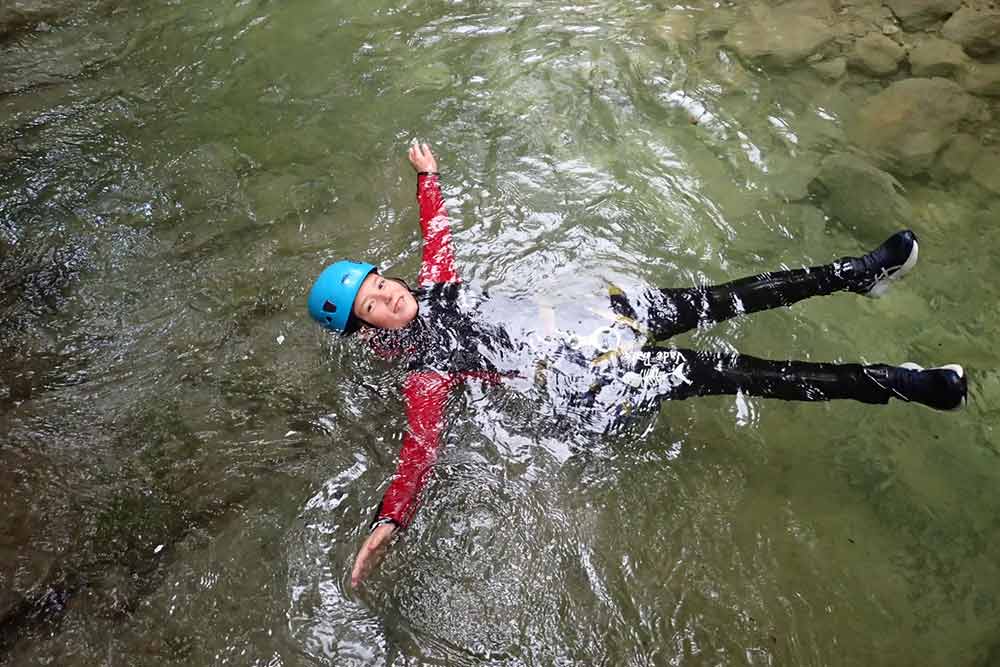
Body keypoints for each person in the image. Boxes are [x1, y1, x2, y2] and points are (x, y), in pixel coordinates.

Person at [307, 143, 968, 587]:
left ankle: (857, 274)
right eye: (375, 304)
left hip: (602, 317)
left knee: (728, 295)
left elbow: (437, 235)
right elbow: (416, 454)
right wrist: (390, 521)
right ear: (367, 329)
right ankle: (895, 383)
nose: (391, 295)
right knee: (733, 370)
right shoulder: (426, 375)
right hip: (598, 381)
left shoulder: (434, 285)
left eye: (381, 282)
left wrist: (427, 177)